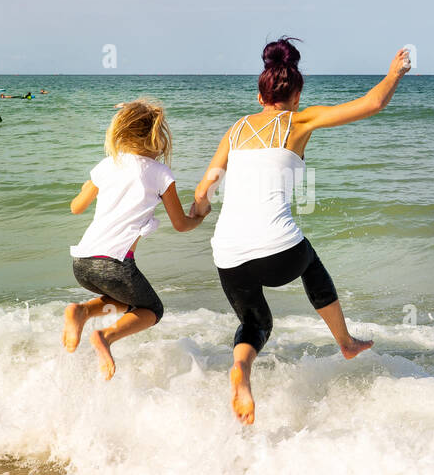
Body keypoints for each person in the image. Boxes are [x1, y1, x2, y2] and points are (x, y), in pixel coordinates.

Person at [192, 38, 412, 424]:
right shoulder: (300, 119)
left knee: (255, 323)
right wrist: (393, 74)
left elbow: (203, 191)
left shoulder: (237, 129)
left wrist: (196, 212)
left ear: (260, 96)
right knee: (309, 261)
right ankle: (345, 342)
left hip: (228, 257)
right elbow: (372, 105)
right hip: (280, 253)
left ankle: (241, 369)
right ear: (296, 94)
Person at [63, 99, 208, 379]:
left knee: (126, 299)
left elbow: (76, 207)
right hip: (115, 263)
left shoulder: (106, 165)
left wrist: (85, 188)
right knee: (152, 308)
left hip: (81, 263)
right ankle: (105, 337)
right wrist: (199, 217)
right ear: (158, 136)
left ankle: (80, 311)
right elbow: (180, 224)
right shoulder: (161, 174)